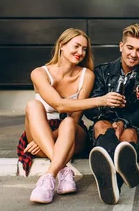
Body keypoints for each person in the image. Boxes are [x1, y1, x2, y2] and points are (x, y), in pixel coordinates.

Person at [17, 28, 126, 204]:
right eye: (76, 46)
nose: (80, 52)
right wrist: (100, 100)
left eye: (84, 49)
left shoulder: (86, 75)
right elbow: (59, 104)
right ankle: (63, 169)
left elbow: (75, 118)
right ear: (61, 45)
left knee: (67, 121)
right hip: (40, 129)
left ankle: (49, 178)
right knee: (33, 105)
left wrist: (43, 141)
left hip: (69, 133)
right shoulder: (39, 73)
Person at [84, 23, 139, 205]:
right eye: (130, 47)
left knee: (128, 134)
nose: (133, 54)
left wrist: (124, 121)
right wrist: (105, 102)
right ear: (121, 46)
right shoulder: (102, 72)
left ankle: (111, 180)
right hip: (107, 126)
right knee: (99, 125)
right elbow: (90, 111)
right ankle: (118, 174)